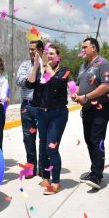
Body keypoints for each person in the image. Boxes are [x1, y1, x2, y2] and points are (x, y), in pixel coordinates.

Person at [25, 44, 69, 195]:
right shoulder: (40, 70)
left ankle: (56, 182)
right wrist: (36, 66)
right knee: (43, 147)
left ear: (58, 56)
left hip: (58, 114)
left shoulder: (64, 70)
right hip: (41, 113)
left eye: (51, 54)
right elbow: (29, 84)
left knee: (51, 147)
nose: (48, 56)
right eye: (46, 53)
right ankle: (46, 177)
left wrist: (45, 65)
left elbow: (57, 82)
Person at [71, 37, 109, 190]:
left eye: (85, 47)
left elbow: (106, 86)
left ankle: (97, 175)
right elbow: (78, 83)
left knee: (97, 140)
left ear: (94, 48)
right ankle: (94, 169)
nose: (82, 50)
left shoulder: (103, 64)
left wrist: (87, 96)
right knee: (89, 140)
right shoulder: (83, 66)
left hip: (100, 109)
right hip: (87, 109)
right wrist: (76, 93)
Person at [16, 40, 44, 178]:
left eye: (34, 49)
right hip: (27, 106)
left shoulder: (46, 67)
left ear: (41, 50)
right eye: (30, 49)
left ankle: (43, 167)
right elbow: (20, 82)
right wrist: (32, 73)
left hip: (42, 107)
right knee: (28, 138)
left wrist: (38, 69)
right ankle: (31, 167)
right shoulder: (24, 65)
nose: (31, 52)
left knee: (43, 138)